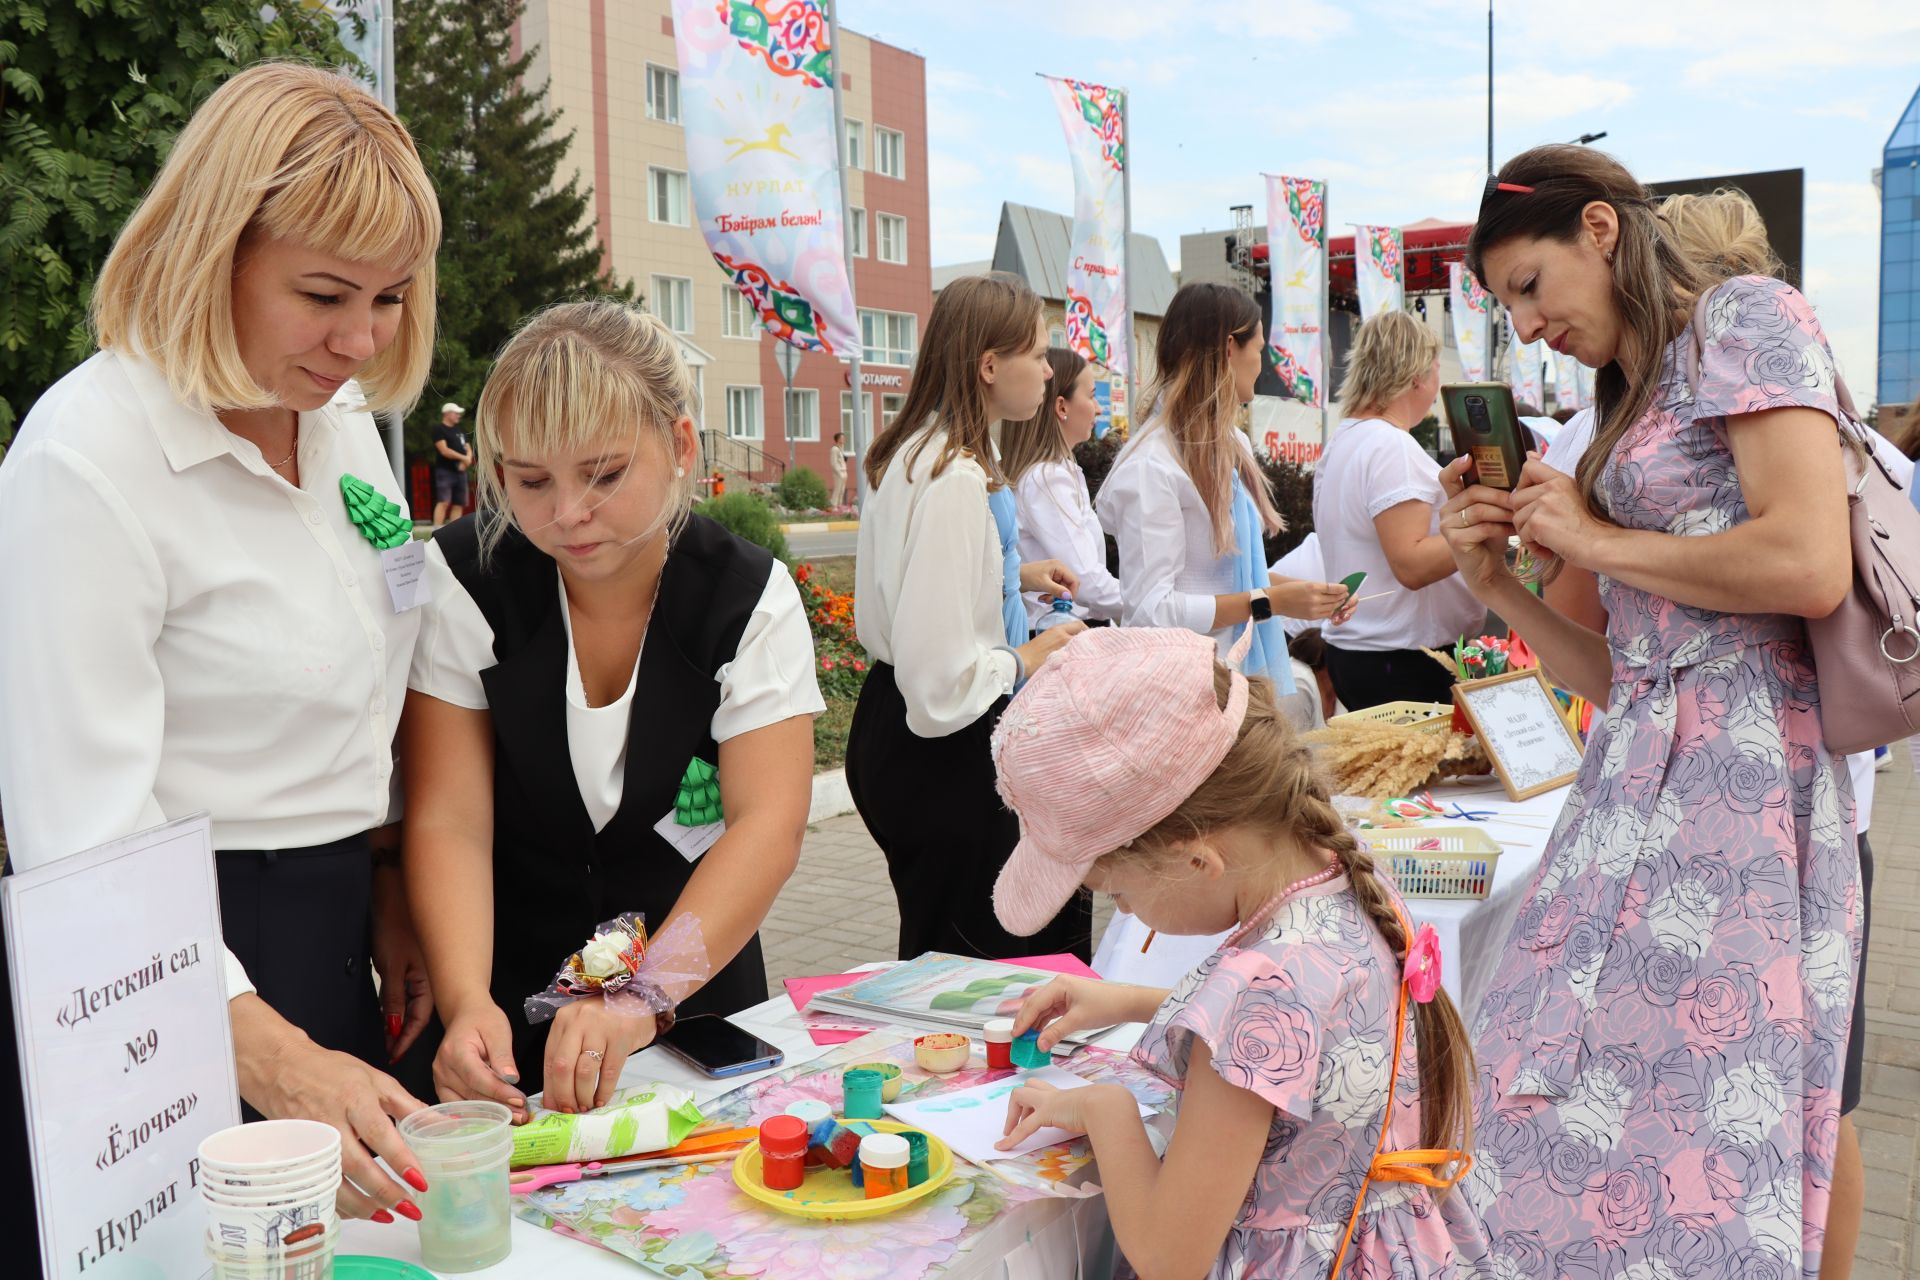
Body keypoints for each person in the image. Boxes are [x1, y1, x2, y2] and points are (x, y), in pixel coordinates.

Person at [0, 63, 445, 1234]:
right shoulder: (87, 460)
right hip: (157, 974)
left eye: (393, 298)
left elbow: (364, 687)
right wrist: (274, 1050)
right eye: (326, 293)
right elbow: (80, 839)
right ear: (215, 250)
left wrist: (388, 882)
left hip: (328, 929)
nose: (360, 338)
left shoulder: (342, 427)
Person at [1444, 144, 1858, 1276]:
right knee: (1549, 1100)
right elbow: (1624, 672)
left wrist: (1593, 535)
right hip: (1637, 778)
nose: (1525, 327)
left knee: (1702, 1132)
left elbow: (1812, 559)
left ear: (1600, 231)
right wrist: (1493, 583)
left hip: (1741, 791)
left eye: (1528, 287)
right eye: (1505, 309)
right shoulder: (1628, 391)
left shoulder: (1748, 316)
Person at [404, 301, 821, 1116]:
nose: (566, 514)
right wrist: (464, 1002)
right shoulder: (465, 581)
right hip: (499, 1013)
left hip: (691, 1011)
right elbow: (450, 818)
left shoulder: (747, 598)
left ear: (680, 445)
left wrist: (642, 998)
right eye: (530, 481)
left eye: (603, 474)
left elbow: (766, 825)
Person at [986, 626, 1487, 1278]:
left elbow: (1169, 1257)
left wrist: (1102, 1107)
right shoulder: (1346, 875)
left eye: (1118, 893)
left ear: (1194, 857)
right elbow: (1311, 1033)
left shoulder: (1259, 986)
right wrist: (1130, 1001)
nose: (1126, 913)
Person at [848, 272, 1087, 962]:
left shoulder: (925, 452)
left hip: (902, 733)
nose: (1048, 371)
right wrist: (1030, 658)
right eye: (1038, 355)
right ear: (989, 366)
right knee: (981, 963)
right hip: (943, 747)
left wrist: (1012, 576)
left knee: (949, 948)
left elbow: (920, 583)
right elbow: (940, 681)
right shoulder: (952, 476)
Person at [1097, 283, 1351, 711]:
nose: (1263, 362)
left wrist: (1312, 595)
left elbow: (1230, 578)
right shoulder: (1151, 465)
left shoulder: (1230, 445)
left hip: (1234, 686)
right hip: (1183, 696)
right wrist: (1273, 601)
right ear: (1229, 348)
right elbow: (1151, 611)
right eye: (1259, 347)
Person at [1312, 309, 1486, 709]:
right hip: (1399, 659)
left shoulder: (1345, 441)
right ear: (1417, 376)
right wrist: (1484, 523)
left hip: (1365, 652)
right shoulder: (1390, 446)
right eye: (1437, 368)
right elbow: (1411, 564)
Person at [1002, 346, 1123, 632]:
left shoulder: (1059, 473)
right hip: (1059, 634)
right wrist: (1155, 604)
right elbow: (1088, 582)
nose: (1099, 408)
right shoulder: (1047, 479)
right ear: (1061, 407)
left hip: (1066, 630)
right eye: (1092, 395)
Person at [431, 401, 474, 526]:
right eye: (456, 413)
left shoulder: (459, 430)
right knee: (443, 501)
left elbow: (468, 447)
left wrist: (467, 460)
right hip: (445, 471)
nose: (458, 416)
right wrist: (463, 458)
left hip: (461, 472)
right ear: (447, 414)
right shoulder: (439, 429)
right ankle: (437, 529)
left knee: (459, 503)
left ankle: (453, 532)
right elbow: (444, 450)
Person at [828, 430, 850, 509]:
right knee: (837, 489)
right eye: (842, 438)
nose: (844, 439)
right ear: (837, 439)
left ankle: (839, 505)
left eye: (844, 438)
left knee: (842, 490)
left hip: (844, 471)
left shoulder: (841, 449)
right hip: (839, 473)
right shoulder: (834, 449)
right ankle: (834, 505)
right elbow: (833, 463)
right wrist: (838, 472)